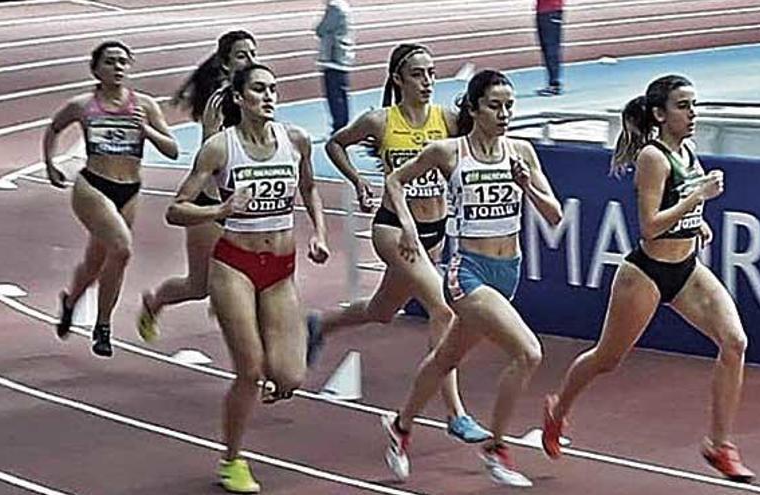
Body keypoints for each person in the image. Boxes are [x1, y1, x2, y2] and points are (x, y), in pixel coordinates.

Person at [540, 75, 756, 483]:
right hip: (646, 273)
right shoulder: (652, 158)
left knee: (735, 341)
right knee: (608, 358)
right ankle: (559, 409)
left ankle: (719, 444)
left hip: (687, 268)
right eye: (683, 106)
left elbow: (682, 204)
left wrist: (698, 223)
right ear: (660, 114)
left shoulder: (688, 150)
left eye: (694, 105)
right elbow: (650, 226)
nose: (692, 114)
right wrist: (697, 200)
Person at [380, 69, 563, 487]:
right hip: (468, 272)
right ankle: (497, 450)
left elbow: (554, 214)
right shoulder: (449, 152)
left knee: (447, 358)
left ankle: (401, 426)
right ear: (474, 108)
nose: (504, 115)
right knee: (528, 353)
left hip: (508, 271)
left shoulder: (522, 152)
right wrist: (406, 225)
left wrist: (526, 187)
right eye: (495, 106)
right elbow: (394, 180)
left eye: (509, 107)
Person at [310, 43, 489, 443]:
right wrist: (358, 180)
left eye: (431, 73)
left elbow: (480, 133)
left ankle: (321, 324)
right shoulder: (379, 121)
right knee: (442, 307)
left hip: (434, 231)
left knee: (382, 310)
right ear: (398, 80)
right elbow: (335, 143)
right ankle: (455, 412)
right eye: (417, 74)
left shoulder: (447, 119)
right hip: (394, 230)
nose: (427, 82)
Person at [166, 63, 330, 493]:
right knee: (250, 371)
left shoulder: (295, 140)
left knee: (290, 377)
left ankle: (282, 342)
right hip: (234, 264)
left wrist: (319, 233)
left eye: (273, 88)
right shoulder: (221, 148)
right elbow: (175, 209)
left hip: (280, 269)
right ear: (239, 98)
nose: (269, 96)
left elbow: (310, 188)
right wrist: (219, 211)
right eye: (259, 89)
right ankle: (232, 461)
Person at [45, 40, 178, 357]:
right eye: (110, 62)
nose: (117, 67)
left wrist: (146, 131)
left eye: (123, 62)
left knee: (96, 262)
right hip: (92, 186)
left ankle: (71, 301)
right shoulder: (82, 105)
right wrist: (50, 163)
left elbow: (172, 149)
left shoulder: (144, 105)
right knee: (122, 248)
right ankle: (103, 326)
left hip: (129, 190)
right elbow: (53, 128)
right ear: (96, 69)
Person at [137, 30, 257, 343]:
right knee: (198, 286)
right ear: (226, 63)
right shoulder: (219, 101)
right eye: (242, 55)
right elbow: (212, 150)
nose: (250, 61)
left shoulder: (256, 95)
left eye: (252, 54)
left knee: (257, 272)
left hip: (244, 199)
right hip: (211, 199)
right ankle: (154, 303)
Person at [316, 0, 354, 133]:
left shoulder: (334, 7)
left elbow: (321, 29)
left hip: (334, 57)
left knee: (335, 95)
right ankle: (342, 124)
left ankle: (339, 126)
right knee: (341, 94)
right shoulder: (344, 6)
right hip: (342, 56)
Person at [535, 0, 563, 96]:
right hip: (545, 11)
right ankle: (553, 82)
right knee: (547, 48)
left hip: (550, 11)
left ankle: (554, 84)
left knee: (551, 47)